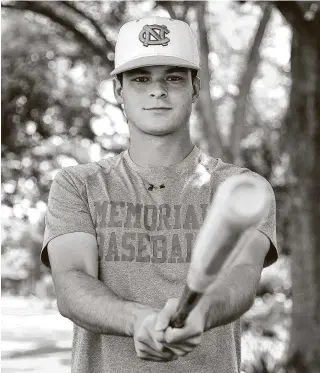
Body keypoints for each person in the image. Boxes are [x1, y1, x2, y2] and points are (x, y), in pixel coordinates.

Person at [40, 16, 278, 373]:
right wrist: (136, 320)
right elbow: (71, 283)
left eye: (173, 77)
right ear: (118, 91)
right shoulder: (78, 184)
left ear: (195, 88)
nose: (158, 90)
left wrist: (201, 313)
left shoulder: (240, 188)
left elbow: (241, 276)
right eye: (140, 78)